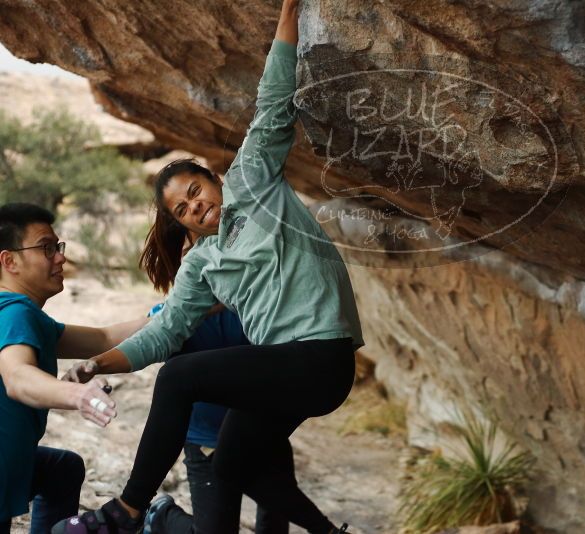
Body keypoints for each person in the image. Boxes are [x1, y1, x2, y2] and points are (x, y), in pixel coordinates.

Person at [54, 0, 361, 532]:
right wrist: (100, 363)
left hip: (321, 355)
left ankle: (128, 509)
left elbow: (272, 103)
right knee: (234, 463)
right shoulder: (202, 265)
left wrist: (288, 12)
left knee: (179, 379)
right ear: (183, 223)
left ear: (214, 181)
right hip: (284, 369)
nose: (195, 206)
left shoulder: (253, 182)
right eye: (182, 209)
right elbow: (165, 330)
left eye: (195, 191)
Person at [0, 203, 148, 534]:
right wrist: (79, 394)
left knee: (62, 468)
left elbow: (104, 337)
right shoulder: (13, 313)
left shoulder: (30, 318)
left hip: (12, 460)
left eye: (58, 247)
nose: (60, 257)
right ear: (9, 261)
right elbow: (17, 377)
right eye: (46, 248)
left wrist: (179, 310)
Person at [140, 230, 290, 534]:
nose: (198, 256)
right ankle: (162, 514)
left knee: (276, 521)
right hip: (206, 442)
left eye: (205, 246)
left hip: (263, 432)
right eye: (186, 252)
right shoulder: (169, 315)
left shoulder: (255, 304)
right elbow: (146, 340)